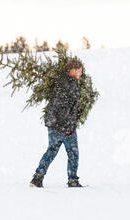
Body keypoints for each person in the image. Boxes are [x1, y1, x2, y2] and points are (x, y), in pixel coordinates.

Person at [30, 59, 84, 188]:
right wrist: (68, 124)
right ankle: (72, 180)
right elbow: (64, 105)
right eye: (79, 71)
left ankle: (37, 178)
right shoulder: (68, 84)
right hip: (63, 124)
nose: (81, 74)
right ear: (72, 70)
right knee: (73, 152)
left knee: (52, 151)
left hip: (54, 123)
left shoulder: (60, 81)